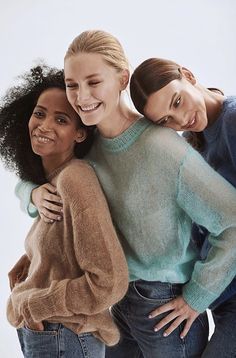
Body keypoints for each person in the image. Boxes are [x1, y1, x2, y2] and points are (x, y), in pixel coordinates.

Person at [14, 31, 236, 357]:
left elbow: (231, 221)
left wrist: (197, 297)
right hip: (112, 306)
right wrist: (30, 193)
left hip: (163, 311)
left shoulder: (162, 147)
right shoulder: (86, 145)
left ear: (122, 78)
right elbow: (48, 178)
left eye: (93, 82)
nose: (81, 95)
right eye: (73, 85)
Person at [0, 64, 128, 358]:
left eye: (61, 119)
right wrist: (36, 260)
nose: (44, 125)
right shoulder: (54, 180)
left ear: (80, 134)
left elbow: (109, 282)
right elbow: (70, 243)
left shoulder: (75, 178)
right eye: (40, 113)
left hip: (65, 334)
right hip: (50, 332)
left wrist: (36, 304)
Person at [130, 57, 236, 357]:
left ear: (188, 75)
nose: (180, 119)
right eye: (166, 121)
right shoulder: (193, 142)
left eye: (177, 102)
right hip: (222, 295)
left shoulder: (232, 121)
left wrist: (195, 298)